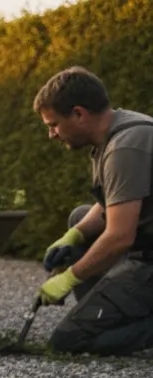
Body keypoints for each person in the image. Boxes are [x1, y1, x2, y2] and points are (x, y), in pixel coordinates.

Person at [32, 66, 153, 356]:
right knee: (79, 217)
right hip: (146, 245)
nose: (52, 135)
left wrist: (69, 277)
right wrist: (73, 236)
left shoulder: (125, 147)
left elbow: (119, 237)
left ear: (78, 113)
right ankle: (109, 306)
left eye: (53, 125)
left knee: (68, 342)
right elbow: (115, 199)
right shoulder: (118, 130)